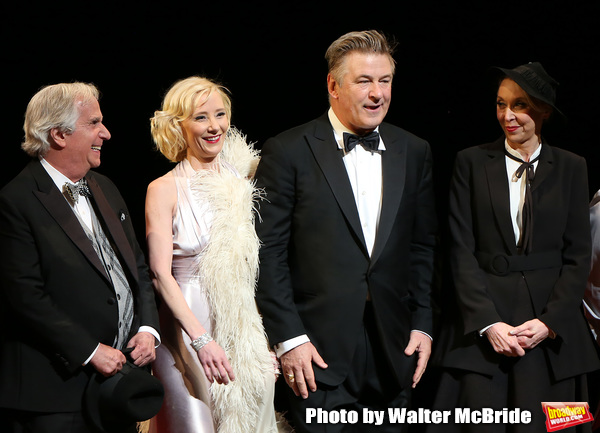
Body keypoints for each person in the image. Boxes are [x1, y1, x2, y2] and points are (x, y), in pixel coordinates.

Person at [254, 30, 438, 432]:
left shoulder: (415, 150)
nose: (378, 93)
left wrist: (422, 323)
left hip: (394, 351)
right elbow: (267, 254)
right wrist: (289, 339)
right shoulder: (288, 150)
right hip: (316, 354)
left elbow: (422, 248)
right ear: (333, 85)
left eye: (385, 80)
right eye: (364, 81)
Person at [432, 62, 600, 432]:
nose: (507, 116)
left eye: (520, 105)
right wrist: (488, 322)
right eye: (500, 104)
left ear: (543, 111)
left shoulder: (572, 167)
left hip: (549, 337)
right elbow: (459, 249)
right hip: (485, 333)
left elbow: (577, 257)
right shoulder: (471, 162)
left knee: (551, 426)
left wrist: (549, 323)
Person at [0, 82, 161, 433]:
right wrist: (90, 350)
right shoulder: (17, 200)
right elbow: (24, 296)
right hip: (56, 393)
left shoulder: (106, 187)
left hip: (119, 388)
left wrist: (148, 329)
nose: (105, 132)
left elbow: (137, 267)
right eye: (94, 123)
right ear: (59, 134)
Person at [146, 76, 280, 433]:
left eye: (220, 115)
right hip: (190, 320)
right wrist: (201, 339)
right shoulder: (163, 189)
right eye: (201, 117)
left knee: (255, 412)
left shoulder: (243, 180)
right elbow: (160, 274)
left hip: (244, 321)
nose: (215, 126)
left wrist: (261, 334)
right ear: (179, 125)